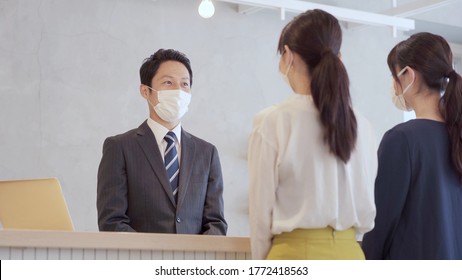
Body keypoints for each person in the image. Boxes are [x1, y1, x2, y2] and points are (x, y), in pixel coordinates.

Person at [248, 9, 377, 260]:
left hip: (295, 255)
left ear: (288, 55)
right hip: (351, 255)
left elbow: (260, 217)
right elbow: (367, 206)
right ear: (339, 57)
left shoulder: (272, 121)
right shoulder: (363, 126)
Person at [97, 49, 227, 235]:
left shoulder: (207, 153)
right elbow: (112, 221)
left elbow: (216, 223)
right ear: (145, 91)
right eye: (168, 82)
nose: (178, 91)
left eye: (185, 84)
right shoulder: (119, 147)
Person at [362, 32, 462, 259]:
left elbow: (380, 224)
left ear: (408, 75)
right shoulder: (456, 135)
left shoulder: (402, 139)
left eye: (394, 75)